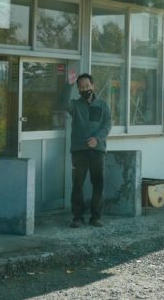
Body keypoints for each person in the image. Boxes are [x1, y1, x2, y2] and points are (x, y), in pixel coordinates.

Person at [61, 70, 112, 227]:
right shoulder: (75, 106)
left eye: (87, 86)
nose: (85, 89)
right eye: (81, 87)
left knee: (98, 184)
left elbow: (107, 124)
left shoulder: (102, 104)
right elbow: (62, 103)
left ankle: (96, 217)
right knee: (77, 184)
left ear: (93, 86)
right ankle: (77, 217)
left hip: (97, 151)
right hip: (79, 151)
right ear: (78, 89)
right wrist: (68, 84)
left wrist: (97, 138)